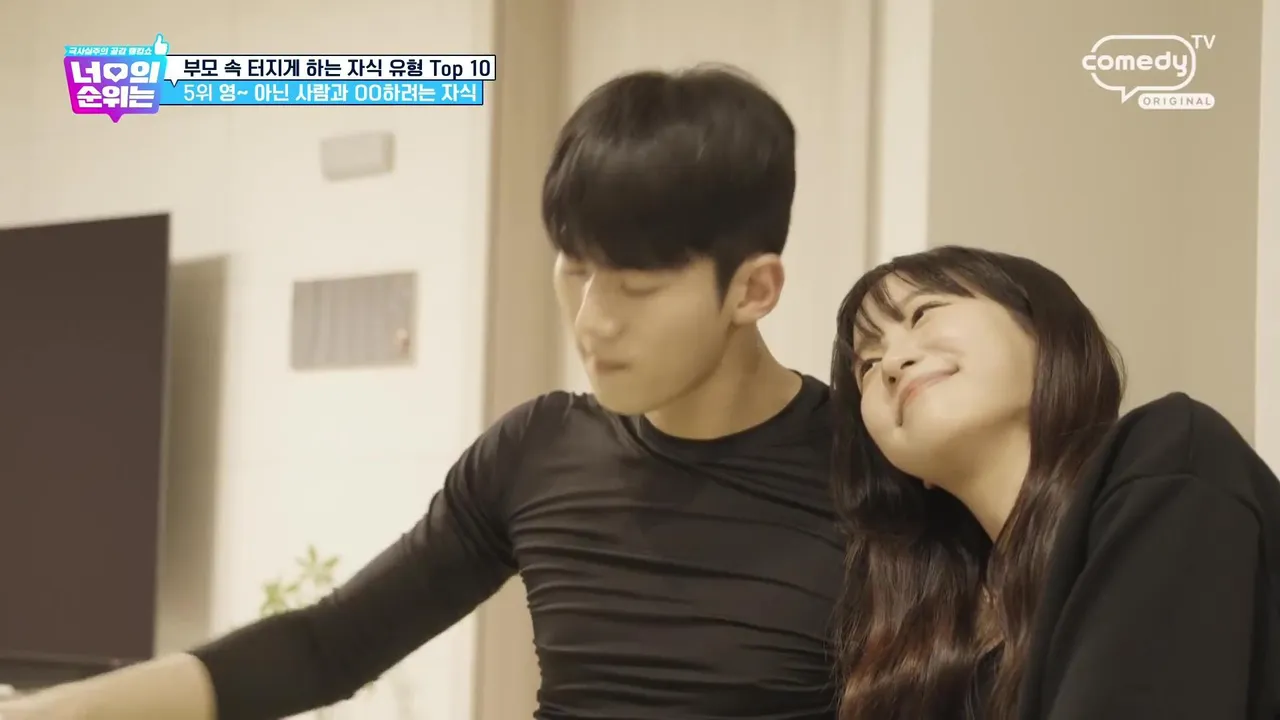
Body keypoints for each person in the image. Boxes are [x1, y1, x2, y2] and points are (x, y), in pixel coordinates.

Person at [0, 66, 845, 720]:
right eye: (575, 270)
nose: (592, 320)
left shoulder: (867, 470)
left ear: (754, 290)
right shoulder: (539, 451)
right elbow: (329, 645)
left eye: (637, 286)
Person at [828, 244, 1280, 720]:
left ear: (1042, 332)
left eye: (923, 313)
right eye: (867, 366)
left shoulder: (1167, 459)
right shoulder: (931, 646)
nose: (892, 364)